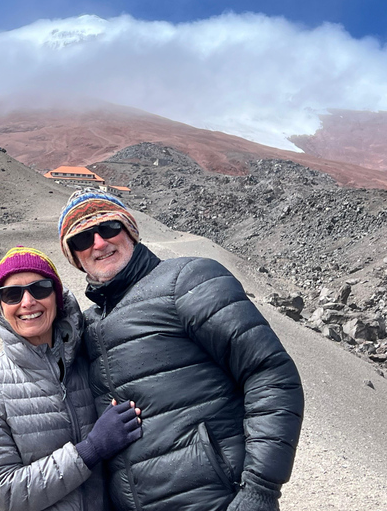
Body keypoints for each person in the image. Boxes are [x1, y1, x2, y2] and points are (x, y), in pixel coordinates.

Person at [57, 190, 305, 511]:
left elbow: (270, 374)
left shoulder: (188, 280)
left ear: (129, 230)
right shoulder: (87, 327)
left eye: (108, 228)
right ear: (75, 257)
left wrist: (260, 488)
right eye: (82, 239)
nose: (99, 243)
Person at [0, 246, 142, 511]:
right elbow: (4, 490)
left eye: (40, 288)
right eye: (12, 294)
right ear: (0, 307)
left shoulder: (88, 360)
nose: (27, 302)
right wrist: (91, 449)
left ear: (57, 298)